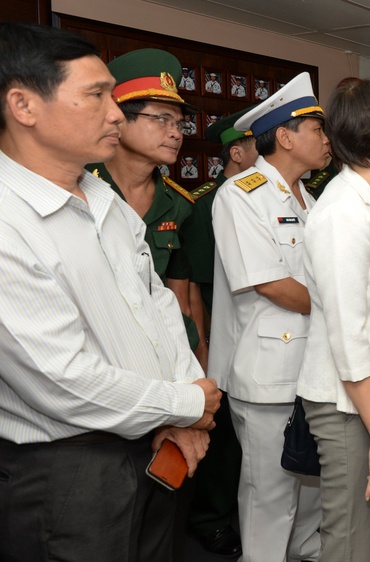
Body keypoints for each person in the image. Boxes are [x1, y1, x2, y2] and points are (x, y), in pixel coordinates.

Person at [0, 22, 220, 561]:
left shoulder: (101, 197)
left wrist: (182, 411)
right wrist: (188, 402)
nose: (116, 113)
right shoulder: (7, 218)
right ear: (24, 105)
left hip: (153, 440)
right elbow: (61, 379)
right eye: (96, 96)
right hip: (69, 471)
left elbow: (160, 306)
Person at [297, 78, 370, 562]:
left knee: (365, 535)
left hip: (368, 399)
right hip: (347, 407)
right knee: (351, 544)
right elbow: (348, 337)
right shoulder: (344, 213)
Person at [209, 72, 325, 562]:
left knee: (312, 484)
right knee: (269, 495)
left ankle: (305, 551)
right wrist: (341, 310)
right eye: (317, 129)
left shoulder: (313, 200)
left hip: (313, 368)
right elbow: (271, 284)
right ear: (284, 136)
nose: (326, 139)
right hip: (267, 374)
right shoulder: (242, 196)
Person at [86, 47, 207, 367]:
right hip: (95, 356)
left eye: (180, 124)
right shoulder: (79, 187)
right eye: (161, 119)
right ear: (118, 119)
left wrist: (197, 371)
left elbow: (180, 300)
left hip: (160, 356)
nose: (175, 133)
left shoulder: (179, 204)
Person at [183, 106, 258, 559]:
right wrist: (205, 349)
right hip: (221, 333)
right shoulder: (208, 204)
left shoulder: (263, 196)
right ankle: (209, 518)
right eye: (257, 146)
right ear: (237, 151)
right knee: (224, 431)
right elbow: (195, 283)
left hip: (257, 332)